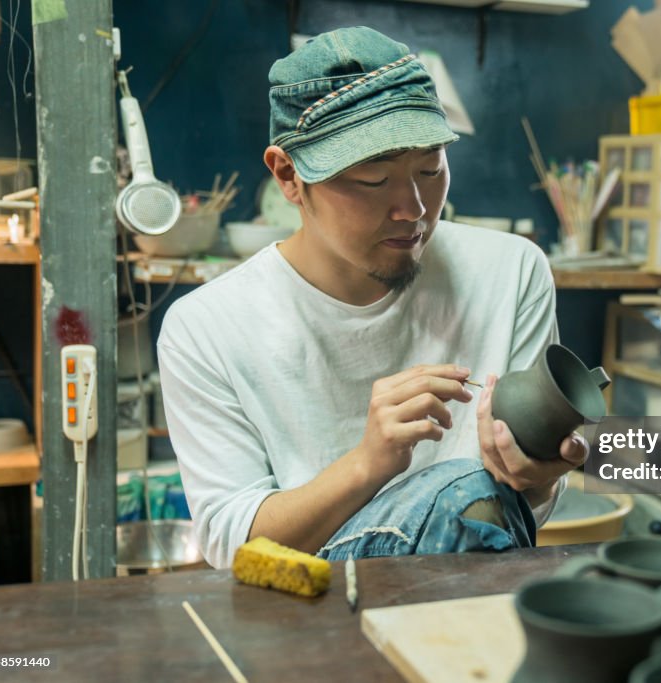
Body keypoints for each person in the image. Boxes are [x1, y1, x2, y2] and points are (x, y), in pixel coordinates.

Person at [157, 26, 588, 569]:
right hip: (307, 611)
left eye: (430, 169)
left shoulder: (511, 270)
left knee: (470, 489)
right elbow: (230, 543)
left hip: (476, 600)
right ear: (289, 176)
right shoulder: (207, 326)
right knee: (460, 482)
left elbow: (520, 502)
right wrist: (368, 463)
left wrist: (537, 476)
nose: (412, 208)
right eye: (372, 179)